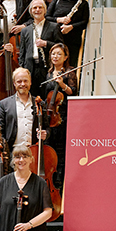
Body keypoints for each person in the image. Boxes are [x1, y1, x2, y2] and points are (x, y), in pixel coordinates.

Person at [1, 0, 62, 95]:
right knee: (31, 96)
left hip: (46, 68)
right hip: (30, 68)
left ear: (45, 10)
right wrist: (23, 67)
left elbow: (61, 46)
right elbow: (22, 52)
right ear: (31, 11)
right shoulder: (25, 30)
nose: (37, 10)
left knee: (45, 94)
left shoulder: (53, 27)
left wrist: (45, 43)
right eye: (35, 8)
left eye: (40, 7)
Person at [42, 43, 77, 188]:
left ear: (66, 57)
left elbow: (73, 91)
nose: (55, 57)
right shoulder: (49, 73)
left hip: (62, 115)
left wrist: (62, 85)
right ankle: (50, 175)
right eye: (53, 54)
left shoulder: (69, 72)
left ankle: (59, 179)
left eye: (59, 54)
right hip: (50, 114)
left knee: (61, 148)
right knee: (49, 146)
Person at [0, 68, 50, 150]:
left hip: (33, 150)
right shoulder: (5, 104)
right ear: (14, 83)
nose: (23, 84)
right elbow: (0, 130)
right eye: (19, 81)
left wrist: (45, 134)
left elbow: (47, 128)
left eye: (26, 81)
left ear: (30, 82)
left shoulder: (39, 103)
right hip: (13, 151)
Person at [47, 0, 91, 68]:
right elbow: (47, 17)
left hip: (73, 41)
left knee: (70, 67)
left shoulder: (83, 3)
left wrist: (71, 27)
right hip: (56, 39)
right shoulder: (57, 1)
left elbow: (84, 22)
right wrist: (60, 20)